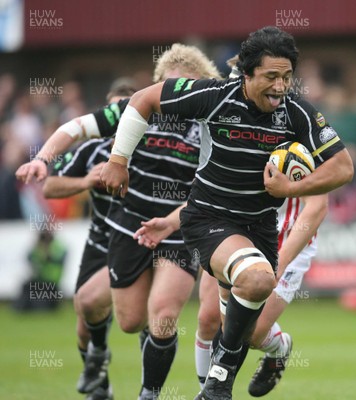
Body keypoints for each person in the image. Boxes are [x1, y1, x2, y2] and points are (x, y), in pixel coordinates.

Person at [100, 26, 353, 400]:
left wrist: (291, 189)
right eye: (270, 77)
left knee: (236, 319)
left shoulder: (297, 113)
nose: (281, 87)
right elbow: (143, 99)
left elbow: (343, 168)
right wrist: (118, 160)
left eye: (286, 77)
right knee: (251, 283)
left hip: (260, 229)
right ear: (247, 75)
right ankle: (215, 386)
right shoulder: (213, 96)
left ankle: (229, 378)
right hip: (208, 220)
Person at [16, 44, 223, 400]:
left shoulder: (209, 124)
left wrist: (175, 220)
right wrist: (44, 159)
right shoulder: (136, 107)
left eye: (189, 86)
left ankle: (149, 394)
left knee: (162, 316)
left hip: (177, 229)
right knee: (129, 321)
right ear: (159, 85)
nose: (180, 94)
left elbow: (214, 187)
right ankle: (102, 358)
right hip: (129, 226)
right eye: (172, 85)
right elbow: (78, 126)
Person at [135, 193, 328, 396]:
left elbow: (318, 205)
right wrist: (170, 222)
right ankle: (208, 393)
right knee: (208, 318)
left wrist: (282, 261)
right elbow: (210, 189)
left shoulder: (306, 160)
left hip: (288, 245)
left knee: (250, 333)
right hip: (234, 233)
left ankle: (279, 347)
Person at [41, 84, 136, 400]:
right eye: (112, 114)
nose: (118, 122)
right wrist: (86, 180)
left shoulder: (153, 151)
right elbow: (50, 187)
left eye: (125, 112)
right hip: (99, 244)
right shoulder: (91, 150)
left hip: (141, 244)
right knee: (84, 320)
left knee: (146, 320)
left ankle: (150, 389)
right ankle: (101, 385)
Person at [12, 229, 67, 312]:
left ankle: (26, 307)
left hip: (51, 281)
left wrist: (47, 254)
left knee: (42, 301)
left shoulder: (57, 247)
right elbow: (29, 258)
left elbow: (58, 258)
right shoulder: (38, 248)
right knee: (26, 286)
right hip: (40, 279)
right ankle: (20, 306)